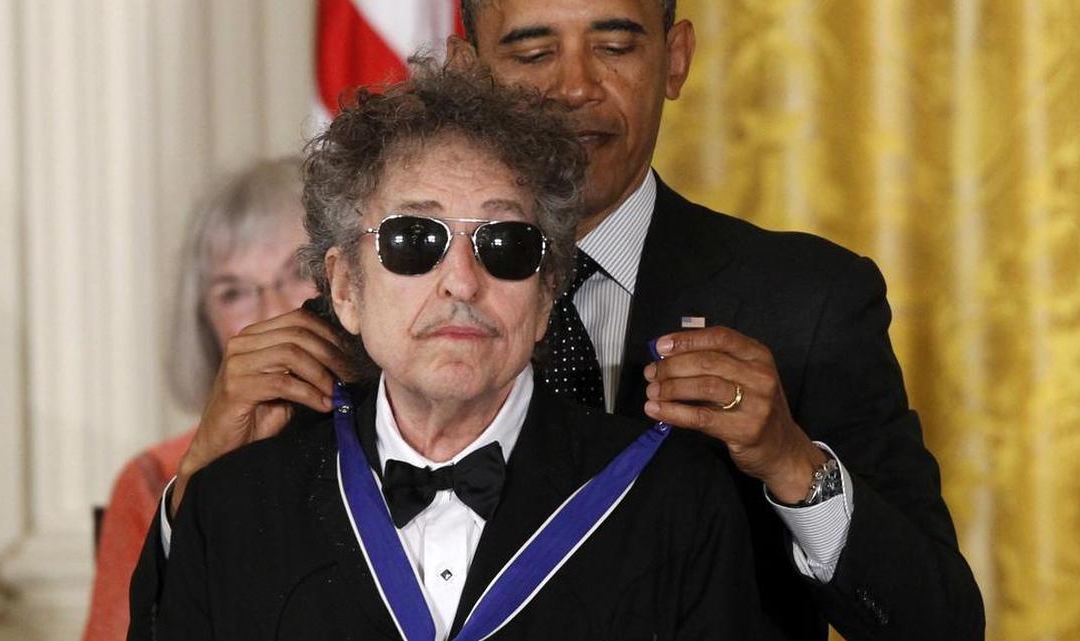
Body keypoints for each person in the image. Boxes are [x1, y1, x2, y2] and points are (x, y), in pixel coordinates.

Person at [133, 2, 984, 640]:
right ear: (466, 68)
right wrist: (204, 470)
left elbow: (940, 625)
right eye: (533, 48)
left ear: (675, 57)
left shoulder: (808, 301)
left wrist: (795, 464)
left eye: (615, 44)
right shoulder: (359, 321)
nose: (575, 86)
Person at [133, 63, 758, 640]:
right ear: (346, 288)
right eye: (414, 239)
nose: (461, 281)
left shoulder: (672, 499)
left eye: (504, 243)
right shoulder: (235, 507)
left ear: (545, 296)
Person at [81, 157, 318, 641]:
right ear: (204, 325)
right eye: (234, 293)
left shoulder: (420, 443)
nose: (273, 313)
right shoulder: (154, 480)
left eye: (299, 271)